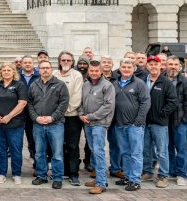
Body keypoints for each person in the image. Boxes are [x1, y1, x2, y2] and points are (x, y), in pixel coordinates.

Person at [28, 60, 69, 189]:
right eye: (42, 68)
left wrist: (52, 118)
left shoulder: (60, 85)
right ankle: (41, 175)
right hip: (38, 124)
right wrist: (36, 118)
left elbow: (63, 104)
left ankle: (57, 177)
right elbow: (29, 103)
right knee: (39, 152)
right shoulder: (34, 84)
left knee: (57, 153)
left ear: (52, 69)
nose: (45, 70)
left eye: (47, 68)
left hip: (55, 124)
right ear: (38, 70)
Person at [113, 58, 150, 192]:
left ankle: (135, 180)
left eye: (129, 67)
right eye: (124, 67)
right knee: (125, 153)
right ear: (120, 68)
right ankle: (128, 177)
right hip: (120, 125)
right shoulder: (115, 84)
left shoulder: (139, 84)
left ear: (134, 68)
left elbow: (145, 103)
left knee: (136, 154)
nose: (126, 69)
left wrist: (138, 122)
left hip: (134, 126)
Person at [0, 62, 27, 185]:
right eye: (4, 70)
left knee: (15, 150)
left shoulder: (19, 85)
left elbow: (22, 103)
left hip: (15, 124)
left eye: (9, 70)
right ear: (1, 72)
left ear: (13, 72)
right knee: (0, 149)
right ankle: (2, 173)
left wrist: (9, 116)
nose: (6, 72)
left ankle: (16, 174)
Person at [141, 56, 177, 188]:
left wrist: (162, 114)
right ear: (147, 66)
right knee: (146, 149)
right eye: (150, 64)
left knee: (162, 151)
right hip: (144, 122)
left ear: (160, 66)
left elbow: (173, 102)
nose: (153, 67)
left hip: (159, 123)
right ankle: (147, 172)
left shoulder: (166, 82)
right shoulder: (142, 81)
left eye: (155, 64)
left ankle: (163, 175)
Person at [79, 60, 115, 195]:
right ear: (89, 71)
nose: (94, 73)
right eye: (91, 71)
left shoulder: (107, 85)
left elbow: (108, 106)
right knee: (94, 151)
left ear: (101, 71)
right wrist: (81, 114)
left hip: (99, 123)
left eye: (96, 71)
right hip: (87, 122)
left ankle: (101, 183)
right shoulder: (86, 84)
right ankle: (99, 179)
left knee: (99, 152)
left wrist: (91, 116)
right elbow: (81, 101)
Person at [52, 51, 84, 186]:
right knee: (57, 146)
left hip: (71, 116)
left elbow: (77, 97)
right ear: (59, 61)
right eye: (63, 60)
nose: (65, 62)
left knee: (72, 145)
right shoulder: (54, 74)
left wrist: (62, 111)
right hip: (56, 118)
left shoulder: (77, 75)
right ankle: (60, 171)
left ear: (72, 62)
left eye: (68, 60)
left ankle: (73, 173)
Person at [166, 56, 187, 186]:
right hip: (164, 121)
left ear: (180, 66)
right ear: (166, 65)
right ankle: (171, 171)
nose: (173, 66)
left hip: (180, 122)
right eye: (170, 64)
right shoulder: (161, 80)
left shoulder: (185, 82)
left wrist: (185, 120)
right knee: (167, 148)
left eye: (175, 64)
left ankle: (182, 174)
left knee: (182, 148)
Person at [18, 55, 39, 164]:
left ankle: (36, 161)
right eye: (25, 62)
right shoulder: (16, 75)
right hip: (18, 113)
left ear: (33, 64)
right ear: (21, 64)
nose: (27, 64)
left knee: (33, 138)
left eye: (29, 62)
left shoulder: (38, 76)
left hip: (33, 112)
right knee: (17, 139)